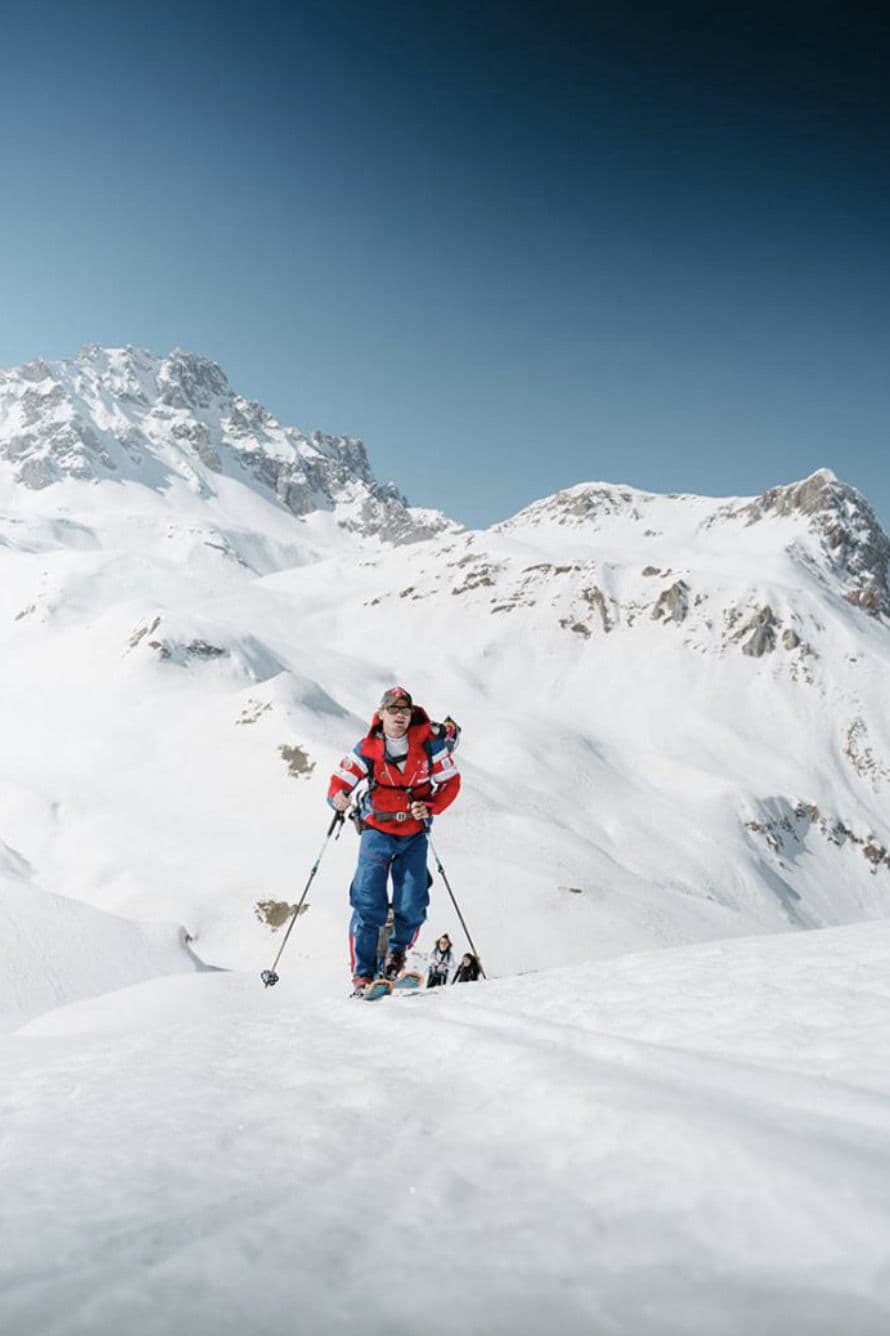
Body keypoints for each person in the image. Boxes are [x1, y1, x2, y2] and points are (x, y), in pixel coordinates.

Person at [328, 686, 461, 996]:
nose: (400, 716)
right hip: (376, 831)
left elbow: (450, 782)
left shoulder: (429, 745)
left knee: (412, 903)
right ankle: (363, 975)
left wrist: (430, 807)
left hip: (414, 834)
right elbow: (340, 781)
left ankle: (393, 961)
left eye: (405, 711)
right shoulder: (368, 749)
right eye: (393, 710)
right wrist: (337, 797)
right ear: (381, 714)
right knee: (367, 901)